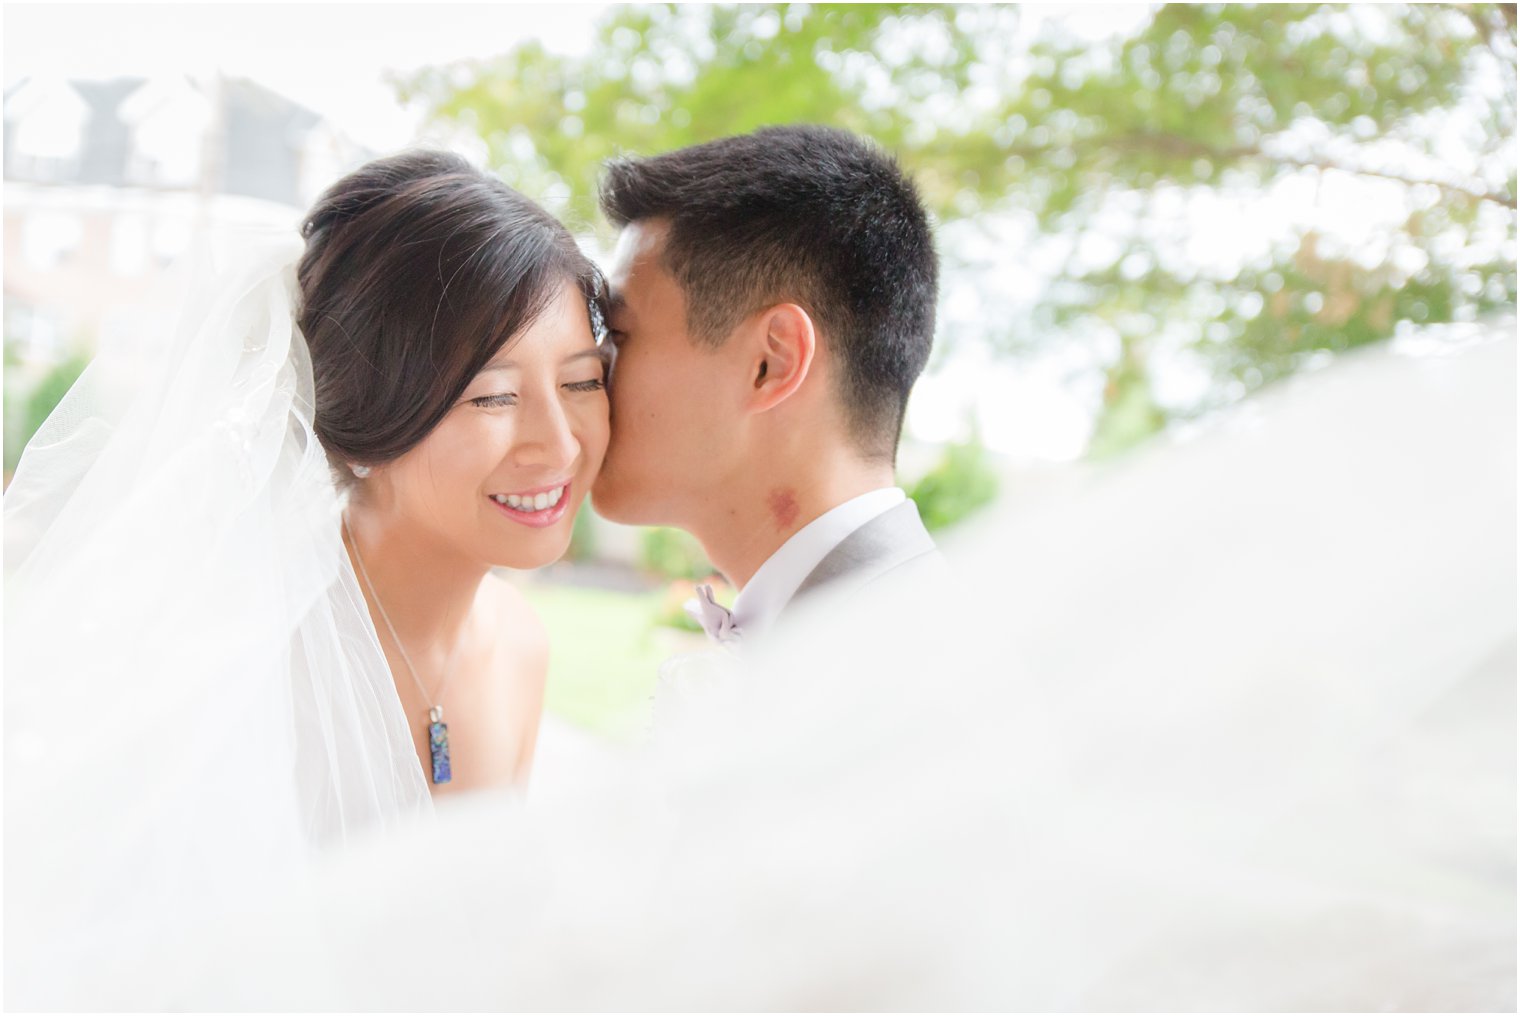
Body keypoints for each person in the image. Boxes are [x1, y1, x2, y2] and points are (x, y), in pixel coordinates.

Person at [4, 149, 609, 1006]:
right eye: (492, 396)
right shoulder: (239, 655)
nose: (560, 442)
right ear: (366, 416)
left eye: (583, 381)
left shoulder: (518, 644)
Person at [590, 125, 943, 650]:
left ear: (771, 363)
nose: (588, 369)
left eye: (619, 334)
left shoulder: (902, 673)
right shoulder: (882, 627)